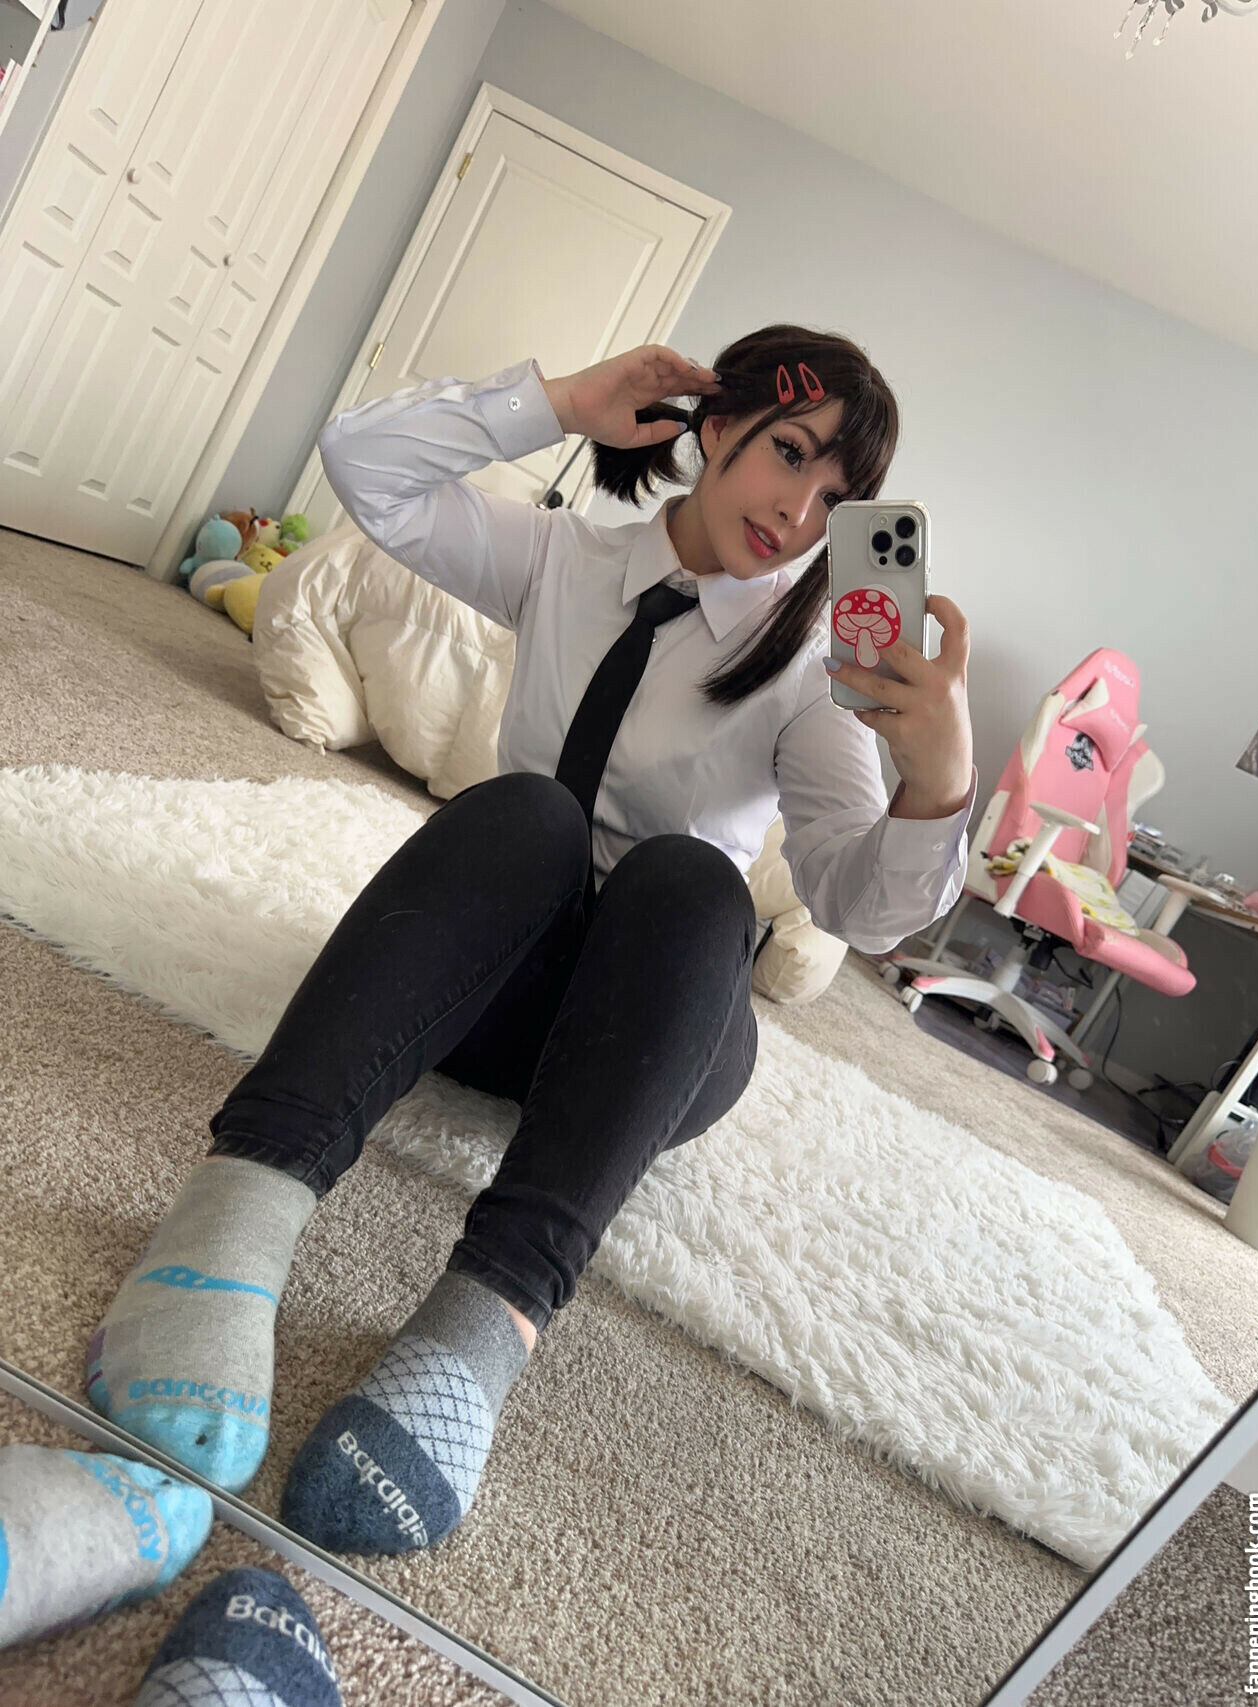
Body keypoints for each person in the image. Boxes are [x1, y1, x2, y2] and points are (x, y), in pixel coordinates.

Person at [86, 326, 976, 1557]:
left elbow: (859, 906)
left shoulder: (811, 675)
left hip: (653, 1041)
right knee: (523, 815)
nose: (797, 511)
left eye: (836, 497)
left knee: (692, 882)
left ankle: (485, 1324)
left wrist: (936, 784)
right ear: (715, 424)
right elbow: (365, 467)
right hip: (488, 994)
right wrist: (555, 402)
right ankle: (235, 1216)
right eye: (788, 454)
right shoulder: (564, 559)